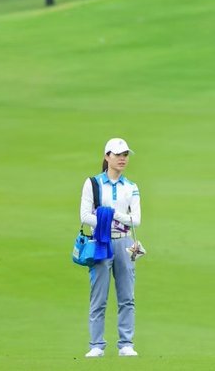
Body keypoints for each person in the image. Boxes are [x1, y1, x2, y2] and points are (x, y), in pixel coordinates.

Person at [80, 138, 142, 358]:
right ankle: (96, 344)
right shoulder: (93, 183)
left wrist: (113, 215)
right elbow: (85, 216)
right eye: (118, 155)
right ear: (107, 156)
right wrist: (107, 221)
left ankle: (126, 343)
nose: (122, 159)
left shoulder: (131, 187)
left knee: (127, 296)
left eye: (125, 155)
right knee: (99, 296)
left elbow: (135, 220)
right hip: (101, 241)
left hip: (124, 242)